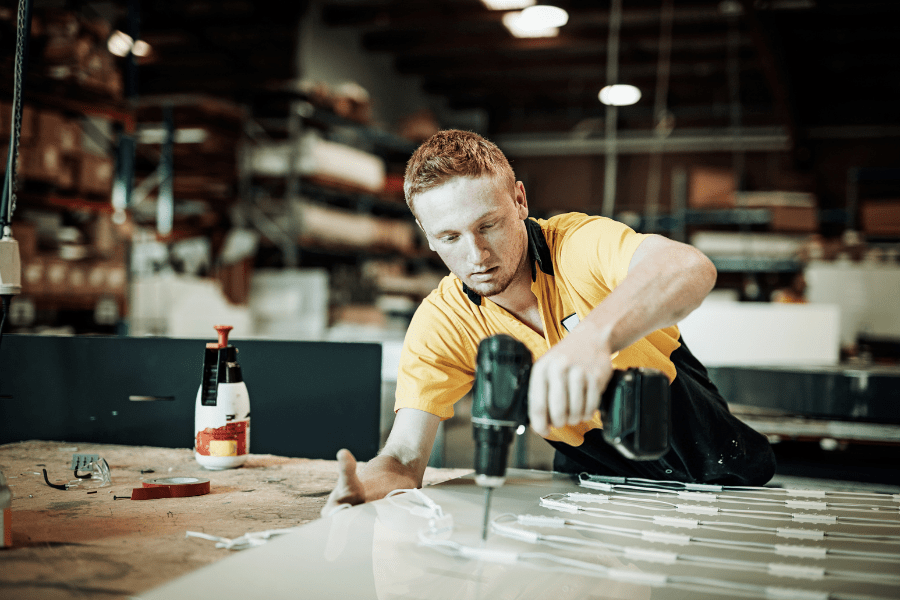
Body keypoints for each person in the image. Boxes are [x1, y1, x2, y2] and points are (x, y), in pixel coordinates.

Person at [322, 130, 775, 516]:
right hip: (593, 487)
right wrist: (366, 489)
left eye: (489, 225)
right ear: (427, 235)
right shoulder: (442, 321)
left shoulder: (576, 246)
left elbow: (689, 266)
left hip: (713, 463)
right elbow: (403, 458)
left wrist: (595, 339)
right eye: (450, 237)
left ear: (519, 200)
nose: (476, 255)